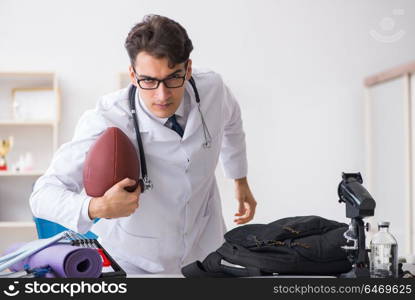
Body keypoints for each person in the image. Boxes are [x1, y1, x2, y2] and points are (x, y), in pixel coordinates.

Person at [29, 14, 256, 275]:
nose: (162, 95)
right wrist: (97, 207)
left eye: (173, 78)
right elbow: (43, 195)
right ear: (133, 75)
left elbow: (232, 124)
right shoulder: (107, 118)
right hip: (136, 262)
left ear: (188, 69)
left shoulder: (212, 88)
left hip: (205, 249)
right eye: (148, 81)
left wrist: (240, 180)